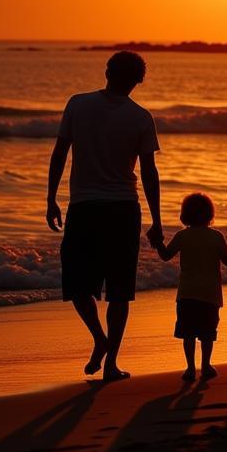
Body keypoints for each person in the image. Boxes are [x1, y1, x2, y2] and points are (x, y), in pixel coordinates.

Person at [46, 50, 163, 382]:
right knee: (119, 290)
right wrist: (156, 219)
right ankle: (109, 356)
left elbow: (59, 154)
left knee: (78, 285)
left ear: (107, 71)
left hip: (84, 206)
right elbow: (149, 173)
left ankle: (101, 341)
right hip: (124, 209)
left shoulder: (78, 104)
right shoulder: (141, 117)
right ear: (138, 81)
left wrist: (51, 199)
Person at [154, 192, 227, 382]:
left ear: (185, 215)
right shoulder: (216, 237)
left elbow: (166, 255)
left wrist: (157, 243)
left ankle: (190, 368)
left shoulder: (182, 236)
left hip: (187, 293)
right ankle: (206, 365)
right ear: (210, 214)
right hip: (210, 295)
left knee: (188, 333)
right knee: (207, 333)